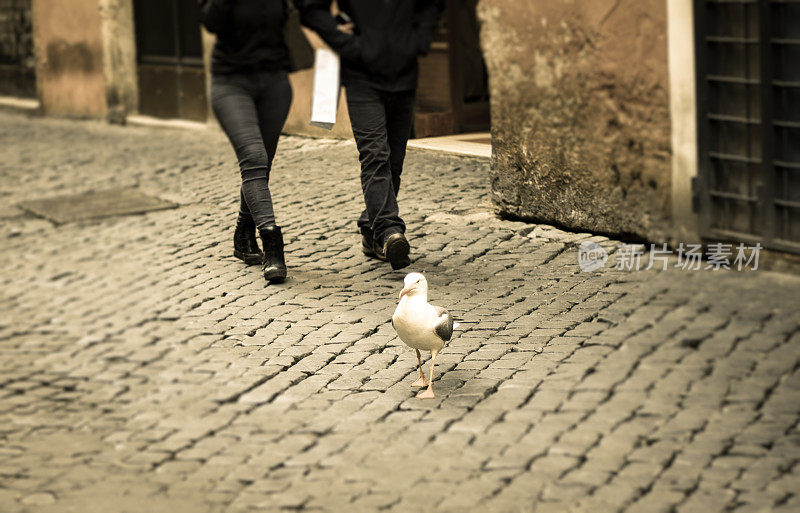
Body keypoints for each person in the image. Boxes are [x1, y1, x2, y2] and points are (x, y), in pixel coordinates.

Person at [299, 0, 443, 270]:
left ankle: (371, 228)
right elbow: (310, 7)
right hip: (362, 78)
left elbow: (431, 6)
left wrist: (419, 40)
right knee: (375, 154)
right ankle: (389, 231)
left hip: (404, 74)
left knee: (394, 161)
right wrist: (346, 42)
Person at [200, 0, 293, 283]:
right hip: (231, 83)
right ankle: (272, 244)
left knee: (262, 162)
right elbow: (211, 21)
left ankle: (243, 234)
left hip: (274, 83)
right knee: (253, 157)